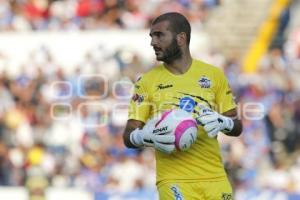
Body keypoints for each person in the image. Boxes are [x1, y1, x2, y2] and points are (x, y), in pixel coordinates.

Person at [123, 12, 242, 199]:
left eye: (159, 35)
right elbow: (128, 135)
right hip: (173, 182)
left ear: (181, 38)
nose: (153, 42)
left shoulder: (213, 75)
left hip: (215, 178)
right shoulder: (146, 82)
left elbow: (236, 126)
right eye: (152, 36)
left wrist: (223, 122)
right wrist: (144, 136)